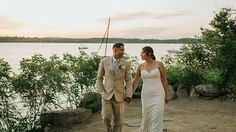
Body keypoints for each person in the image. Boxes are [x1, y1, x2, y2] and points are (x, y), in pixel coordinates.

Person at [96, 43, 133, 132]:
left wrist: (129, 94)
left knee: (119, 121)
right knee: (105, 117)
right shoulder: (104, 61)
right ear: (115, 50)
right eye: (121, 50)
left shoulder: (126, 63)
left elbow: (128, 80)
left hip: (120, 95)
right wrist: (101, 91)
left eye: (123, 50)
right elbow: (99, 77)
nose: (123, 52)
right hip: (106, 95)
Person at [132, 46, 169, 132]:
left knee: (157, 114)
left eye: (142, 53)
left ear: (149, 53)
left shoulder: (159, 64)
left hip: (159, 94)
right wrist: (130, 94)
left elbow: (164, 81)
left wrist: (166, 95)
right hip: (146, 95)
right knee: (146, 115)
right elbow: (135, 81)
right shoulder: (140, 66)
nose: (140, 55)